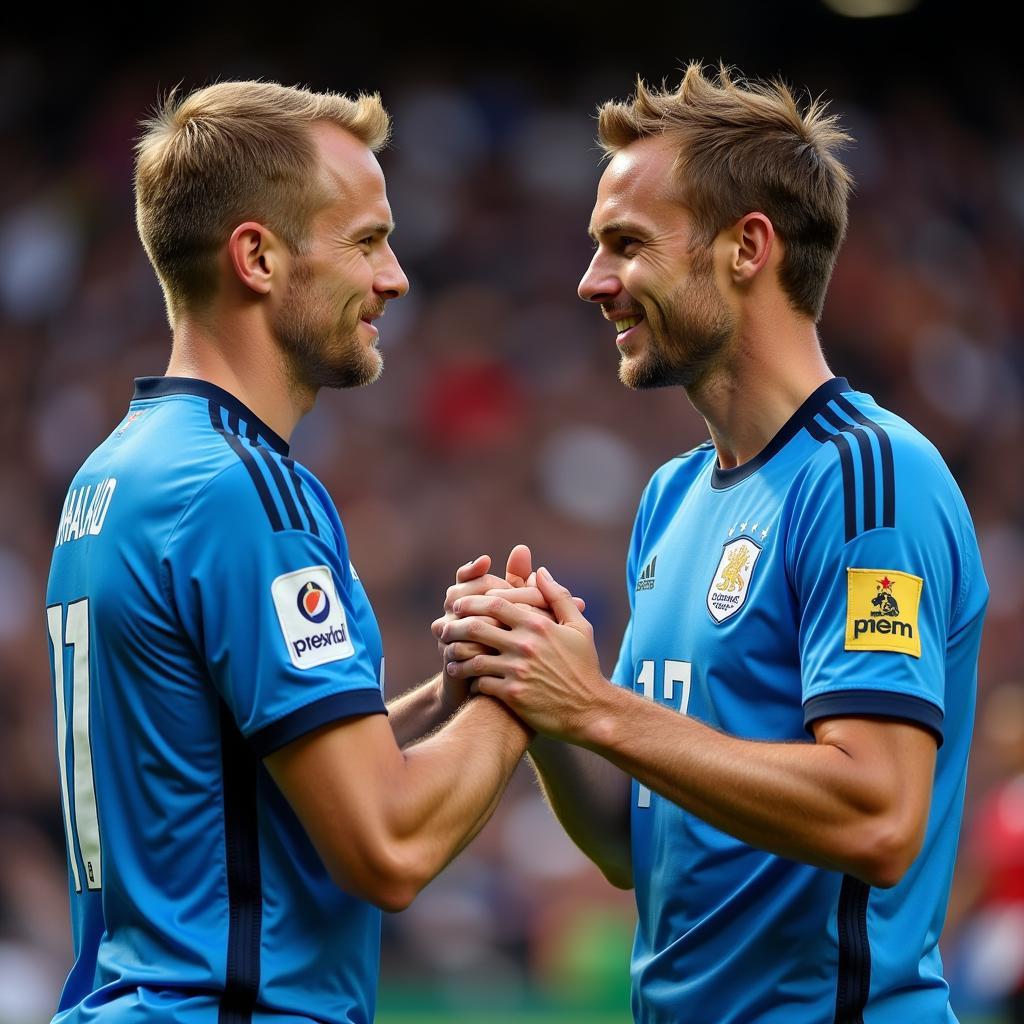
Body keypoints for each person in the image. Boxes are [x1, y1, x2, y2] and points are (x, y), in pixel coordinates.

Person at [441, 64, 989, 1023]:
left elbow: (879, 814)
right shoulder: (670, 498)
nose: (592, 281)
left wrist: (601, 709)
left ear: (748, 247)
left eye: (627, 244)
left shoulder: (868, 480)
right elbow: (634, 848)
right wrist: (541, 700)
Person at [43, 81, 534, 1024]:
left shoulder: (116, 472)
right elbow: (386, 848)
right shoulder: (243, 491)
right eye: (365, 242)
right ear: (257, 257)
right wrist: (524, 689)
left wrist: (446, 701)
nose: (393, 278)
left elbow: (225, 777)